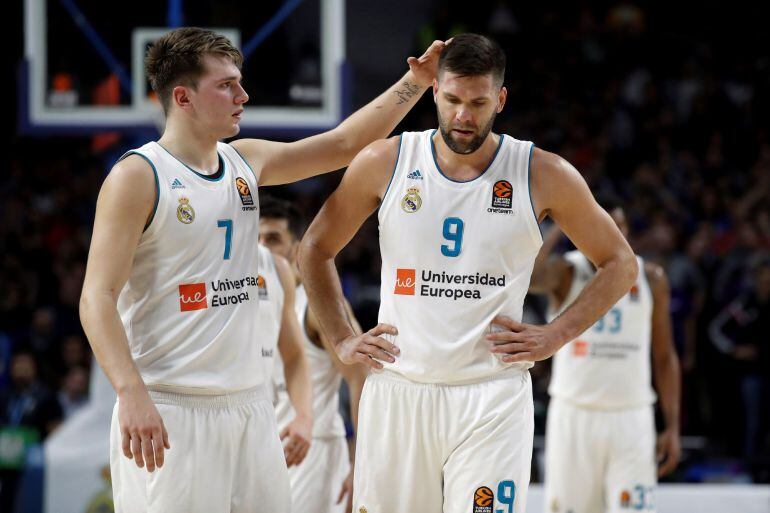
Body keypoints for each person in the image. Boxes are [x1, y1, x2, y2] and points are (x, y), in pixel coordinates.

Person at [79, 26, 445, 513]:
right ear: (183, 97)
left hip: (251, 408)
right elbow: (95, 298)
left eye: (240, 81)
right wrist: (131, 393)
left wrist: (416, 83)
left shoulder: (243, 161)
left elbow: (344, 144)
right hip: (172, 406)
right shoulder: (137, 177)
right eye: (226, 84)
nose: (242, 95)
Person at [298, 33, 639, 513]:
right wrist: (341, 339)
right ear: (434, 91)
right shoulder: (385, 161)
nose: (463, 115)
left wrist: (554, 335)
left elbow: (621, 264)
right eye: (453, 99)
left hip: (492, 395)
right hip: (400, 389)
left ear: (500, 99)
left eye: (477, 102)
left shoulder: (541, 172)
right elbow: (313, 248)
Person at [528, 198, 681, 513]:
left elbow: (665, 357)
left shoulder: (651, 278)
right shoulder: (566, 271)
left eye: (617, 225)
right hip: (574, 414)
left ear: (626, 230)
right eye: (601, 224)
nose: (611, 232)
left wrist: (673, 425)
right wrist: (562, 222)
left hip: (632, 415)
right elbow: (528, 278)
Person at [260, 196, 367, 513]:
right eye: (255, 239)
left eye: (273, 239)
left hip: (312, 451)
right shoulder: (243, 301)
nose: (262, 249)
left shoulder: (316, 306)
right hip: (256, 447)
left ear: (296, 250)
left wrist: (361, 460)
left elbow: (362, 376)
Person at [254, 242, 314, 468]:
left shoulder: (275, 269)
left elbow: (295, 356)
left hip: (264, 420)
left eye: (274, 237)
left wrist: (304, 416)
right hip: (197, 415)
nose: (264, 243)